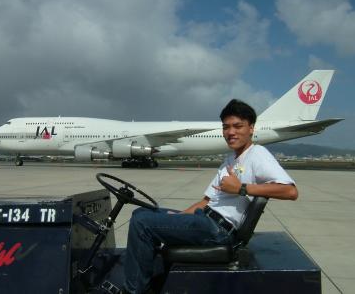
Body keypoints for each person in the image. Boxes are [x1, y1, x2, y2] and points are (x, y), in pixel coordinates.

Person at [121, 99, 298, 294]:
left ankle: (134, 290)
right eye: (226, 127)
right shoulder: (230, 160)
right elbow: (206, 201)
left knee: (142, 223)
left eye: (238, 126)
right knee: (141, 213)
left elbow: (290, 191)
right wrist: (178, 218)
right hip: (205, 220)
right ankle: (150, 278)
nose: (231, 132)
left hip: (219, 230)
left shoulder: (257, 153)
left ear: (251, 128)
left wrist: (242, 188)